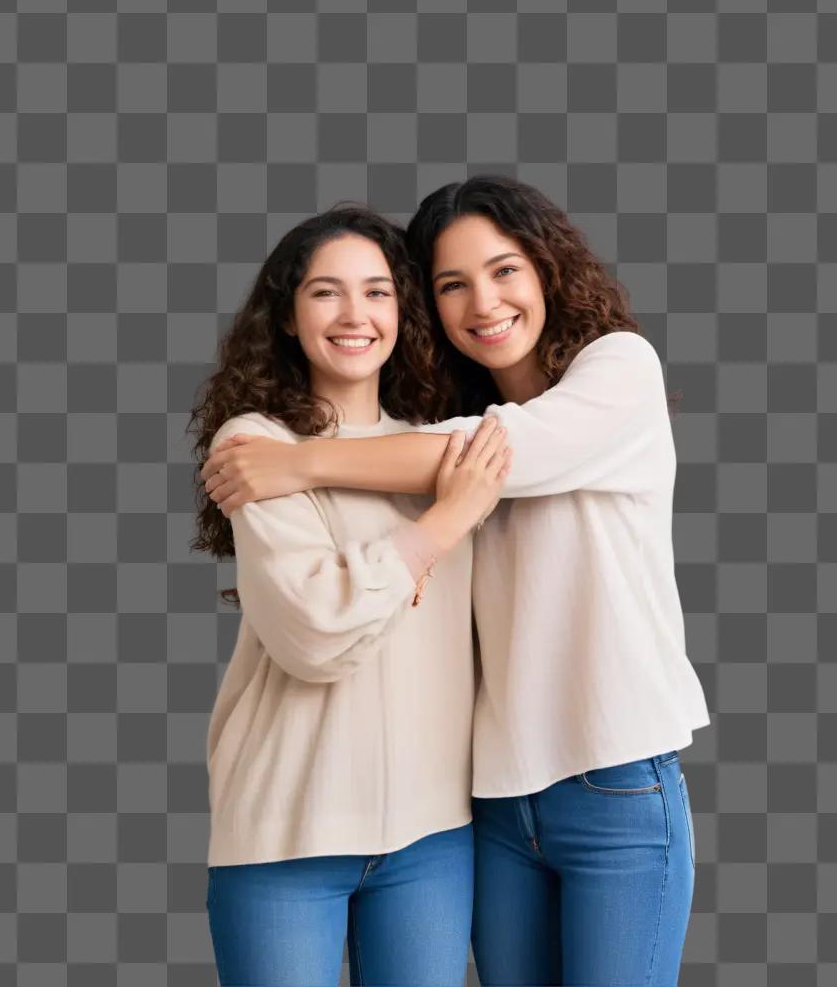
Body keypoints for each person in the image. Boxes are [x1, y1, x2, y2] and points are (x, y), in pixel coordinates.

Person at [202, 176, 713, 986]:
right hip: (497, 803)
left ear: (547, 269)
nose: (484, 301)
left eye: (505, 270)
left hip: (613, 784)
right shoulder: (428, 434)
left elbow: (496, 452)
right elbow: (447, 463)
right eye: (450, 285)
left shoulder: (618, 372)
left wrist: (299, 462)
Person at [188, 205, 510, 987]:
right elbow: (313, 635)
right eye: (326, 293)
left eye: (378, 292)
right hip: (287, 830)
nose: (356, 315)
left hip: (433, 838)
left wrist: (401, 542)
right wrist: (442, 527)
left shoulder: (445, 449)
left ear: (405, 311)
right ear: (290, 318)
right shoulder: (256, 444)